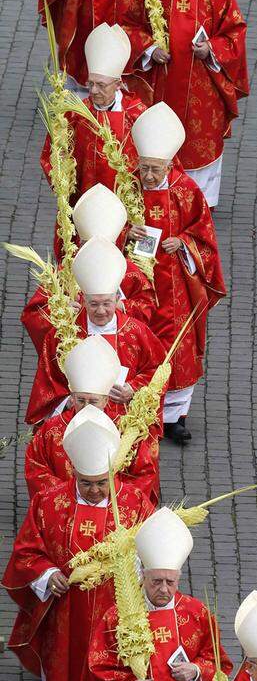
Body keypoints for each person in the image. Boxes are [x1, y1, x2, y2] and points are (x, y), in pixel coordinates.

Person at [2, 407, 152, 681]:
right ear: (74, 475)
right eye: (87, 483)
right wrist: (46, 574)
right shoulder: (50, 502)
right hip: (65, 617)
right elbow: (26, 551)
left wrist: (136, 570)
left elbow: (153, 555)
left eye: (103, 482)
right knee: (66, 680)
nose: (97, 490)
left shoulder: (133, 505)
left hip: (116, 618)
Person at [81, 507, 232, 681]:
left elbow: (219, 664)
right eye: (156, 581)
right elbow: (98, 666)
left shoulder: (196, 613)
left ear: (179, 579)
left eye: (170, 582)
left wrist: (197, 671)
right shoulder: (119, 616)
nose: (163, 589)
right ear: (143, 577)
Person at [140, 0, 249, 208]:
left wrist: (211, 49)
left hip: (204, 83)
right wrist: (150, 49)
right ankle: (164, 193)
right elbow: (135, 26)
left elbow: (234, 33)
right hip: (164, 79)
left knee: (201, 140)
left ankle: (203, 201)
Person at [128, 102, 226, 443]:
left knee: (179, 347)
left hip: (177, 284)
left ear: (170, 164)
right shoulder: (128, 188)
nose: (149, 176)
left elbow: (204, 234)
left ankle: (173, 417)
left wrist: (182, 242)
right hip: (136, 284)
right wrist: (127, 231)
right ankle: (137, 410)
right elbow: (103, 229)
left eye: (156, 169)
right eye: (144, 168)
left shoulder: (185, 190)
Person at [26, 238, 165, 424]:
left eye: (107, 303)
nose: (101, 311)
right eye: (94, 304)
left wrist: (133, 389)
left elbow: (158, 370)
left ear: (117, 299)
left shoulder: (136, 331)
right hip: (75, 419)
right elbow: (48, 379)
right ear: (83, 299)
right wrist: (69, 401)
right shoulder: (64, 334)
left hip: (124, 417)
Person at [25, 337, 160, 505]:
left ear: (105, 400)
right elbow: (36, 467)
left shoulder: (125, 429)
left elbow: (143, 472)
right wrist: (68, 496)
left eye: (93, 401)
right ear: (72, 398)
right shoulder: (52, 429)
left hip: (112, 508)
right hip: (65, 506)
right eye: (81, 400)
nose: (87, 406)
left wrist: (119, 497)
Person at [22, 186, 155, 355]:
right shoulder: (65, 273)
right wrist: (60, 311)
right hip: (76, 349)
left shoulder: (128, 271)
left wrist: (121, 305)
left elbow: (148, 305)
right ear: (81, 243)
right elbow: (33, 314)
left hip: (121, 349)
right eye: (89, 245)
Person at [40, 24, 147, 205]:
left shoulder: (137, 114)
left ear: (118, 84)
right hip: (83, 200)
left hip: (126, 204)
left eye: (101, 85)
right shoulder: (74, 114)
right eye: (91, 84)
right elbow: (52, 153)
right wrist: (62, 180)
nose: (94, 91)